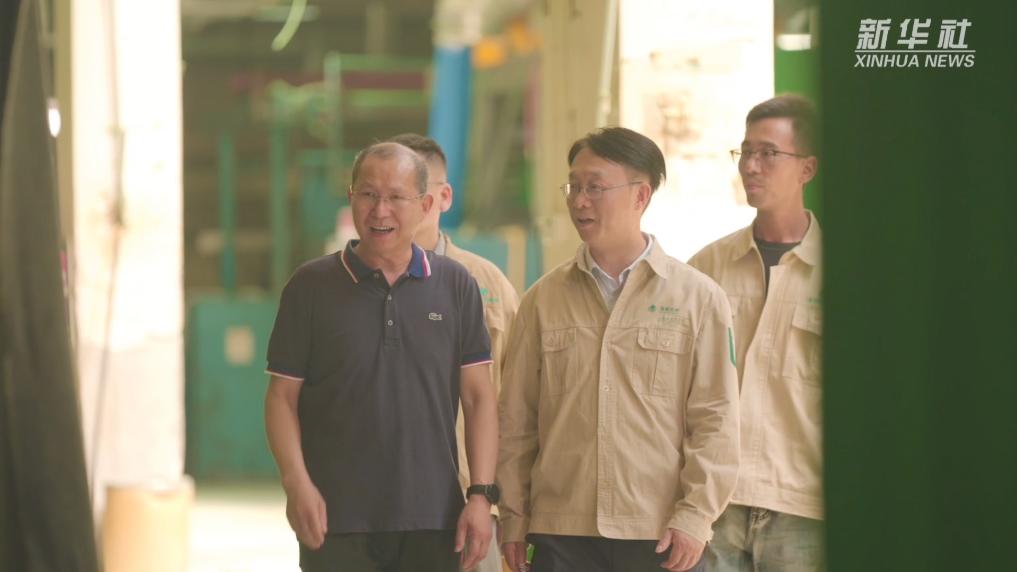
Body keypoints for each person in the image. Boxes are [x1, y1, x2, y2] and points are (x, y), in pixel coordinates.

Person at [497, 127, 740, 572]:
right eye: (574, 187)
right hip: (560, 533)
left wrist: (695, 516)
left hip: (659, 532)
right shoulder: (542, 300)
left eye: (595, 187)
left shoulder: (698, 298)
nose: (579, 201)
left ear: (640, 195)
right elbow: (517, 423)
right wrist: (513, 519)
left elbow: (716, 419)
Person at [264, 142, 499, 572]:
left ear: (425, 205)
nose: (380, 210)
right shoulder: (310, 286)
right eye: (368, 194)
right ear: (351, 197)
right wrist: (296, 484)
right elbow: (282, 397)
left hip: (434, 518)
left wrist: (481, 496)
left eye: (395, 197)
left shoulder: (456, 285)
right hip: (335, 519)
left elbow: (479, 397)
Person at [688, 94, 824, 571]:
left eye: (768, 153)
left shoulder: (843, 272)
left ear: (807, 168)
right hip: (714, 504)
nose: (750, 166)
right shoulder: (706, 268)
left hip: (803, 507)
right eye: (745, 152)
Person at [388, 133, 520, 572]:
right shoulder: (351, 284)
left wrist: (498, 500)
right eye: (387, 193)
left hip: (470, 503)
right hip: (378, 506)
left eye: (413, 192)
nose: (398, 207)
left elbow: (518, 400)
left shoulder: (488, 285)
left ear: (442, 197)